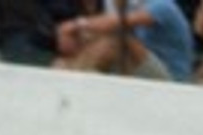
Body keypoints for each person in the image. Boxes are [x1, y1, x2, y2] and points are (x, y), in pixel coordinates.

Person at [55, 0, 194, 81]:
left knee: (119, 42)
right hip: (143, 70)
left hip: (172, 79)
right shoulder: (136, 6)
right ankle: (71, 73)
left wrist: (76, 25)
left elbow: (117, 22)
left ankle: (74, 78)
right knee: (93, 41)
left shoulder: (163, 5)